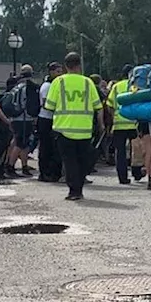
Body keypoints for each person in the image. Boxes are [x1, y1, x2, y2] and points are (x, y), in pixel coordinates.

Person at [43, 53, 102, 201]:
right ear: (79, 65)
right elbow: (98, 107)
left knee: (69, 161)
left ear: (65, 66)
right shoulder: (88, 82)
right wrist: (101, 125)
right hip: (84, 130)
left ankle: (73, 191)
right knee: (82, 160)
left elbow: (49, 106)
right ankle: (79, 188)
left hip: (64, 129)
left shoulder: (59, 82)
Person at [106, 65, 143, 185]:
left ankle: (123, 178)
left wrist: (113, 117)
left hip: (119, 124)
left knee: (120, 151)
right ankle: (136, 173)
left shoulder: (116, 86)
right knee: (136, 150)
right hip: (134, 123)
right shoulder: (135, 87)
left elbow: (110, 105)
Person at [7, 65, 39, 177]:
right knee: (20, 144)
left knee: (23, 143)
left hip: (15, 117)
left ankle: (24, 166)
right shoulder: (30, 87)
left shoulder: (15, 86)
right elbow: (32, 105)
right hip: (25, 118)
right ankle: (10, 167)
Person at [36, 62, 64, 182]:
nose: (60, 74)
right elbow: (47, 104)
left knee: (53, 148)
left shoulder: (54, 85)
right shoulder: (47, 86)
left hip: (52, 119)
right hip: (45, 119)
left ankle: (52, 172)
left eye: (61, 71)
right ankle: (44, 173)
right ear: (51, 72)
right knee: (46, 147)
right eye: (58, 72)